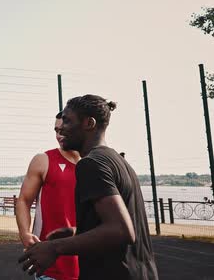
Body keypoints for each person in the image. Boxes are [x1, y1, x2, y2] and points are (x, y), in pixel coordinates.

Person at [18, 95, 158, 280]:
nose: (61, 130)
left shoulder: (91, 164)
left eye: (67, 122)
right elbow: (120, 225)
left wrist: (54, 247)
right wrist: (76, 232)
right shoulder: (119, 162)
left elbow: (121, 230)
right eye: (57, 127)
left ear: (89, 123)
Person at [16, 112, 80, 280]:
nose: (59, 135)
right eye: (56, 130)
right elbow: (24, 200)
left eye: (64, 129)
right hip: (51, 263)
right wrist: (24, 233)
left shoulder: (96, 163)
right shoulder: (44, 160)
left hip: (90, 261)